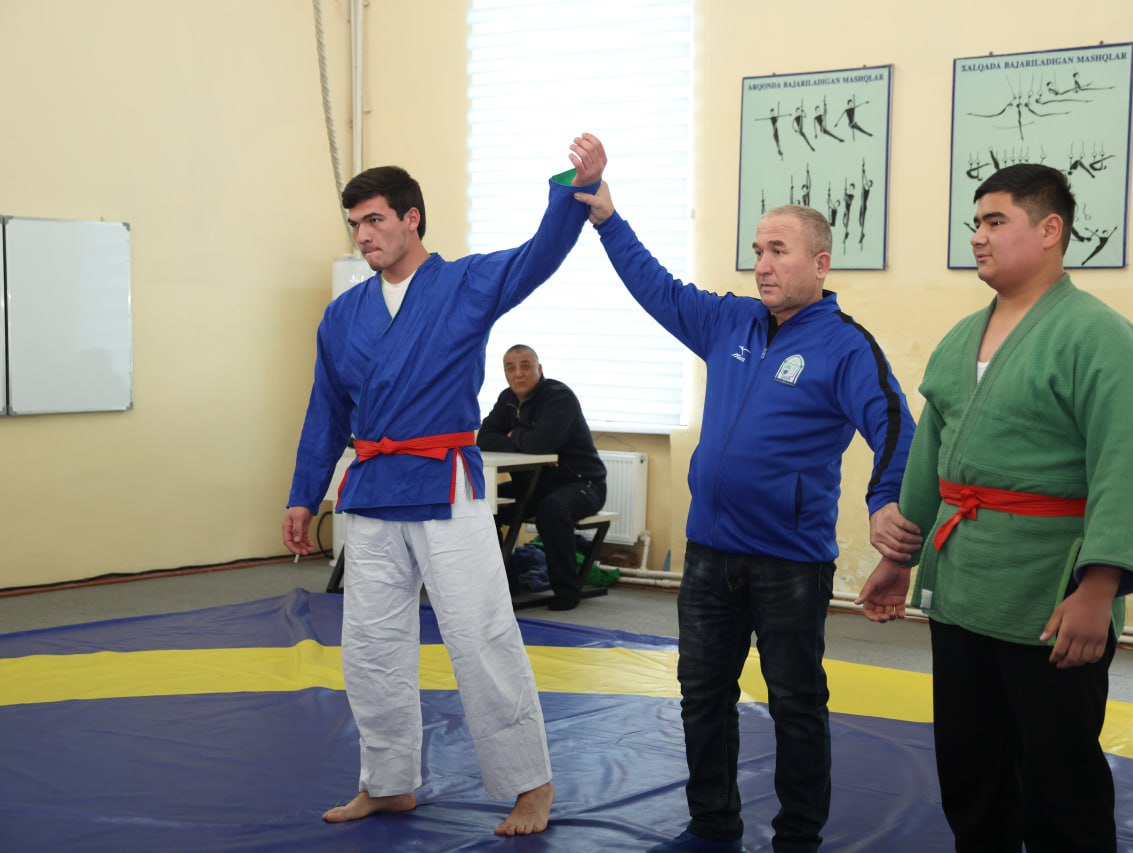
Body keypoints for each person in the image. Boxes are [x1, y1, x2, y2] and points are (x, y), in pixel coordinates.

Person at [573, 183, 921, 853]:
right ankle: (712, 825)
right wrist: (609, 219)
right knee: (701, 691)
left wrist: (885, 504)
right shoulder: (728, 321)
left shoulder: (846, 347)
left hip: (790, 559)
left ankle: (797, 837)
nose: (762, 263)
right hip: (709, 552)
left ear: (820, 264)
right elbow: (657, 288)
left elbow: (893, 424)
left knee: (795, 702)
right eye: (758, 250)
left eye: (779, 250)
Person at [281, 133, 607, 835]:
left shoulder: (464, 284)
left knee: (480, 633)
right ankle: (388, 779)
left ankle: (531, 784)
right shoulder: (343, 316)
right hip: (369, 490)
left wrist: (571, 189)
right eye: (355, 224)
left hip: (444, 486)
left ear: (411, 218)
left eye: (375, 219)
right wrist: (304, 493)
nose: (364, 234)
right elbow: (326, 412)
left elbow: (535, 258)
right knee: (369, 645)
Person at [857, 163, 1133, 852]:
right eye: (977, 223)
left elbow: (1128, 466)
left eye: (996, 221)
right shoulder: (961, 337)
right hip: (963, 586)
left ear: (1050, 229)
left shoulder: (1101, 337)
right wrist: (895, 559)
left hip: (1048, 592)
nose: (978, 237)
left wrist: (1099, 586)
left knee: (1060, 785)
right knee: (972, 772)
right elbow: (934, 459)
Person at [477, 344, 607, 610]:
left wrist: (515, 435)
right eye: (510, 368)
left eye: (525, 366)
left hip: (583, 484)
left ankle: (567, 592)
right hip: (535, 486)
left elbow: (542, 444)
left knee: (552, 509)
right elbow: (484, 439)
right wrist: (523, 438)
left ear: (539, 369)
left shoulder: (559, 397)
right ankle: (508, 584)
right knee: (481, 506)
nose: (518, 374)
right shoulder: (507, 400)